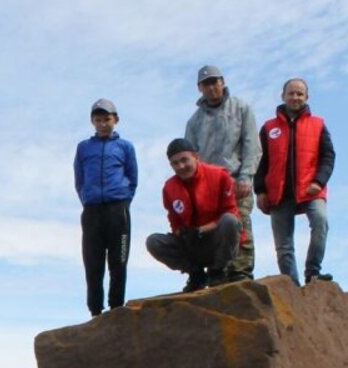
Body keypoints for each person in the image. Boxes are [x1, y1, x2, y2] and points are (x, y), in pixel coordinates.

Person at [254, 77, 336, 286]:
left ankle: (313, 272)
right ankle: (291, 285)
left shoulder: (318, 124)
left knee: (320, 222)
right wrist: (260, 189)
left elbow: (328, 156)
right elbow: (259, 160)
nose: (295, 97)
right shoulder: (269, 127)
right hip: (278, 192)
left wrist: (319, 181)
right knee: (283, 245)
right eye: (291, 93)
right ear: (283, 96)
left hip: (311, 189)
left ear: (306, 97)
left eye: (299, 93)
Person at [184, 65, 260, 280]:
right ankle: (217, 272)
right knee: (211, 229)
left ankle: (241, 272)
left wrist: (246, 175)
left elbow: (252, 145)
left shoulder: (242, 108)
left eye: (214, 81)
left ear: (223, 82)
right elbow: (189, 156)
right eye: (206, 83)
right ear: (200, 88)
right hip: (207, 186)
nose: (211, 87)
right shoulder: (194, 121)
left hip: (235, 179)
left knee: (240, 223)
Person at [145, 138, 243, 292]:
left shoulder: (220, 176)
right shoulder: (169, 188)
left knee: (230, 221)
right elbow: (175, 222)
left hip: (217, 241)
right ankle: (196, 274)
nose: (181, 166)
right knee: (153, 242)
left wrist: (201, 230)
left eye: (184, 160)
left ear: (196, 157)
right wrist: (183, 234)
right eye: (175, 163)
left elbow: (231, 212)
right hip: (192, 244)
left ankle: (218, 273)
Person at [74, 98, 138, 317]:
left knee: (118, 262)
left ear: (116, 120)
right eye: (98, 120)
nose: (102, 124)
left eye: (107, 119)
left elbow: (133, 178)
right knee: (93, 264)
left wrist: (122, 201)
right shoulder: (83, 148)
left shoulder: (125, 147)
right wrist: (88, 199)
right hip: (92, 211)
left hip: (117, 209)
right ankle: (95, 311)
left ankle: (116, 308)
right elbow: (79, 180)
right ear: (92, 122)